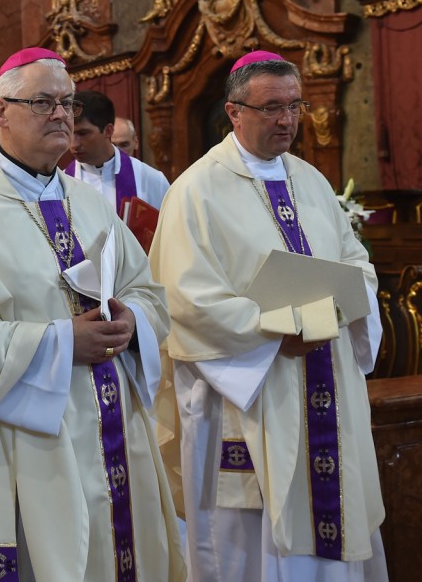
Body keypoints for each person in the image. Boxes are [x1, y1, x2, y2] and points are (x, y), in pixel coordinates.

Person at [0, 47, 185, 581]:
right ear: (1, 112)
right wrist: (63, 342)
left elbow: (147, 291)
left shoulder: (88, 204)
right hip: (24, 443)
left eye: (67, 103)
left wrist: (132, 320)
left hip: (116, 429)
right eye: (43, 102)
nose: (61, 115)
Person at [150, 50, 387, 582]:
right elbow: (185, 300)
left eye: (295, 106)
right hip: (250, 391)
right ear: (234, 112)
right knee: (251, 543)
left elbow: (355, 262)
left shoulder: (311, 180)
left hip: (324, 372)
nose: (287, 120)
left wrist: (339, 306)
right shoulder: (195, 191)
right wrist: (274, 332)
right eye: (272, 108)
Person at [65, 90, 170, 211]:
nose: (73, 145)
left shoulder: (151, 180)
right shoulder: (59, 184)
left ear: (108, 131)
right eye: (69, 133)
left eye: (83, 133)